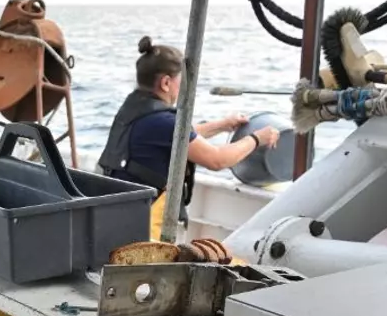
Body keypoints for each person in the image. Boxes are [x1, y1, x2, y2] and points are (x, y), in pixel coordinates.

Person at [98, 36, 280, 240]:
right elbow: (217, 159)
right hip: (146, 233)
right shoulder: (164, 122)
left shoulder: (133, 110)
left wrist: (221, 125)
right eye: (181, 81)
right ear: (166, 82)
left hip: (120, 220)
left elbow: (178, 135)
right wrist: (256, 138)